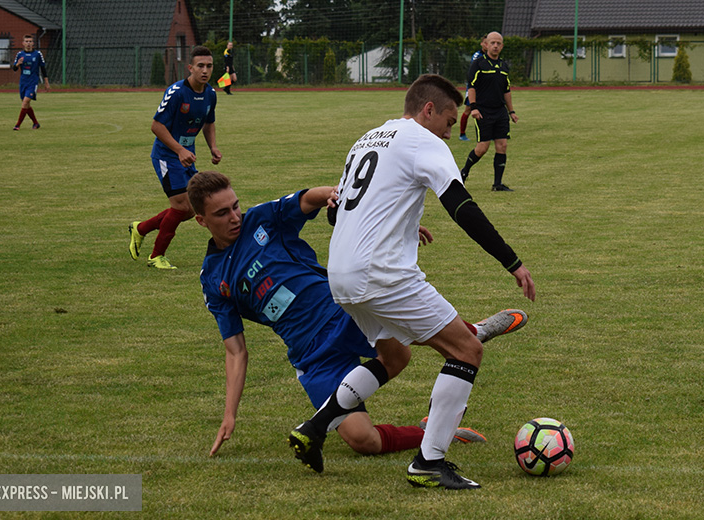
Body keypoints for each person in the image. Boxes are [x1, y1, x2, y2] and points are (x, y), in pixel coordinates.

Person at [288, 74, 535, 490]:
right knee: (467, 350)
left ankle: (313, 428)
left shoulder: (367, 138)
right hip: (381, 274)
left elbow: (336, 212)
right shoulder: (424, 141)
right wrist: (512, 262)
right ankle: (429, 463)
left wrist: (401, 223)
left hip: (342, 275)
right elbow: (461, 206)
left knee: (395, 357)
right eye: (449, 120)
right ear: (428, 110)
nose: (451, 131)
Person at [186, 171, 520, 460]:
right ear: (201, 220)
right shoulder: (213, 279)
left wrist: (333, 195)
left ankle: (472, 331)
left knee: (407, 349)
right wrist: (229, 414)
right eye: (222, 213)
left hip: (342, 312)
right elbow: (235, 350)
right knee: (363, 441)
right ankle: (434, 430)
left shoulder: (260, 220)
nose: (235, 217)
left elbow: (307, 199)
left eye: (235, 206)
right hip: (310, 353)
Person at [128, 45, 222, 270]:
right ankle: (156, 256)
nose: (205, 70)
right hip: (166, 156)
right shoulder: (177, 92)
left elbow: (209, 122)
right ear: (190, 68)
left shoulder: (210, 94)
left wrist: (213, 147)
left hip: (186, 157)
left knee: (190, 209)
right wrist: (179, 150)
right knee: (181, 207)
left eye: (209, 66)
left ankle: (141, 229)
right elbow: (156, 126)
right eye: (200, 66)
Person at [459, 32, 519, 192]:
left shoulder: (504, 66)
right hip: (483, 111)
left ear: (502, 46)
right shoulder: (478, 64)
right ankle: (463, 173)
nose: (495, 46)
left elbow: (506, 90)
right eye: (492, 43)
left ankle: (497, 184)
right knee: (482, 148)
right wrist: (473, 107)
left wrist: (511, 111)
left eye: (498, 43)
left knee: (502, 145)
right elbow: (471, 87)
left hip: (500, 112)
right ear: (486, 44)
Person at [11, 34, 50, 131]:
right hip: (23, 82)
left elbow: (43, 68)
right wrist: (18, 64)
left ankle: (17, 125)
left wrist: (46, 82)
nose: (28, 43)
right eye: (26, 41)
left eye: (30, 41)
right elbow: (14, 68)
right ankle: (36, 123)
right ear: (23, 43)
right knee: (27, 105)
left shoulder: (37, 54)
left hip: (33, 82)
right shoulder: (20, 54)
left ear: (33, 43)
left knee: (25, 102)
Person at [458, 35, 487, 141]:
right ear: (481, 44)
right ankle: (462, 134)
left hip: (484, 88)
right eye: (485, 42)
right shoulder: (477, 55)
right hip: (473, 88)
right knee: (468, 110)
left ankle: (487, 133)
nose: (487, 45)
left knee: (485, 109)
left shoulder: (490, 56)